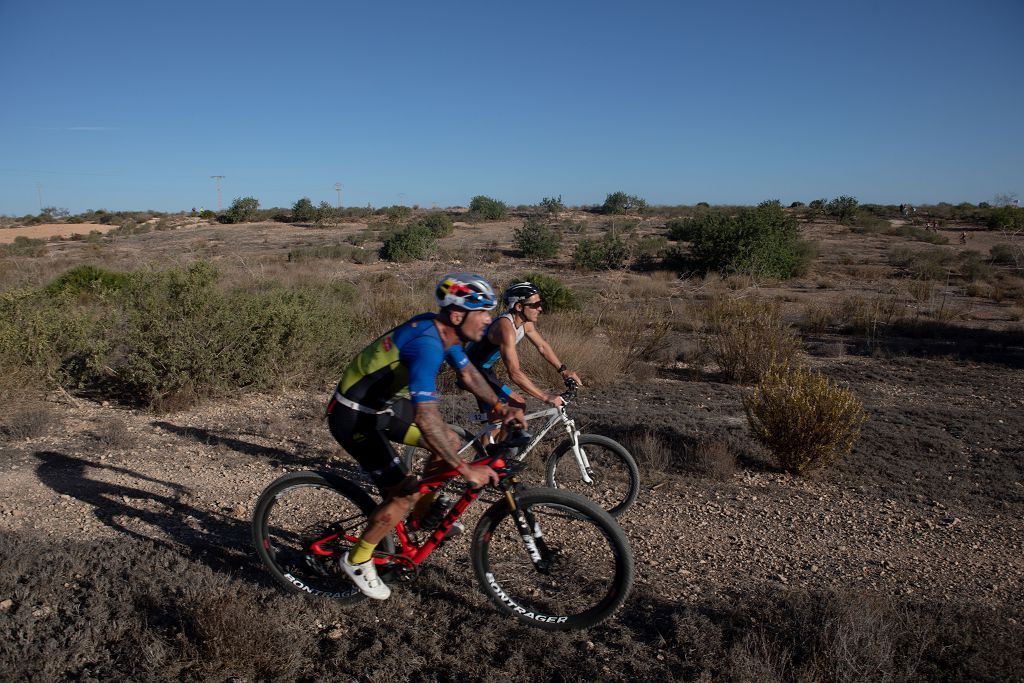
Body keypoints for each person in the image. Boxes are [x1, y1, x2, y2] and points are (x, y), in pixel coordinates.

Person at [326, 273, 525, 600]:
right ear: (458, 315)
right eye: (483, 313)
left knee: (450, 438)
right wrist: (464, 470)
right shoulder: (429, 345)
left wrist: (500, 405)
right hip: (353, 417)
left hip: (381, 407)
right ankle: (358, 559)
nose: (490, 320)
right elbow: (426, 415)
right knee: (403, 493)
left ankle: (421, 514)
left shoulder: (445, 332)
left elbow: (467, 373)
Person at [465, 281, 583, 422]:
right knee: (515, 406)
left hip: (485, 370)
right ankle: (477, 425)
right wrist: (545, 397)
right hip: (470, 372)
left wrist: (563, 371)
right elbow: (514, 373)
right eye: (535, 305)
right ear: (519, 307)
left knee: (512, 411)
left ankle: (490, 434)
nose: (540, 309)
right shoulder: (506, 329)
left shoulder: (525, 323)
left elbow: (542, 347)